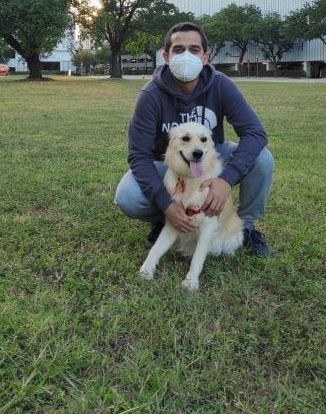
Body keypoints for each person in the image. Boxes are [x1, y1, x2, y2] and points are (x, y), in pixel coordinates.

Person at [114, 22, 275, 257]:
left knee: (262, 158)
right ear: (167, 57)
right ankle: (167, 220)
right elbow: (138, 155)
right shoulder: (150, 95)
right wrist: (165, 203)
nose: (186, 55)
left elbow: (255, 132)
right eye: (179, 50)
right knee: (128, 197)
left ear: (205, 57)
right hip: (169, 165)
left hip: (210, 158)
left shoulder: (220, 84)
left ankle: (247, 226)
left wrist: (226, 180)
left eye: (194, 49)